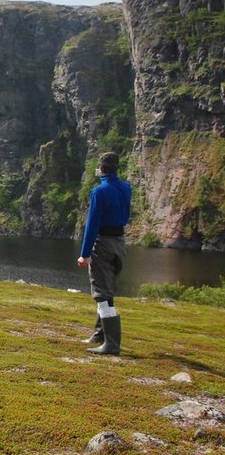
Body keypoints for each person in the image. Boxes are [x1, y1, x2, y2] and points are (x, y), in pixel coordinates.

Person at [77, 152, 132, 355]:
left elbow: (92, 224)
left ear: (101, 169)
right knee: (108, 290)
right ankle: (100, 334)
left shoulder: (99, 191)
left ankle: (112, 344)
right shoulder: (126, 187)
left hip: (103, 243)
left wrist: (85, 254)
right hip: (119, 242)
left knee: (101, 293)